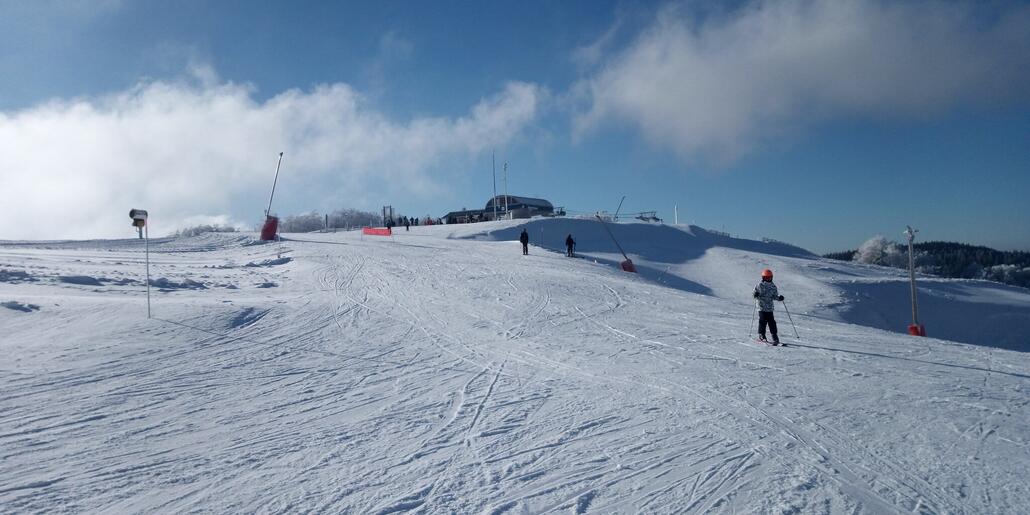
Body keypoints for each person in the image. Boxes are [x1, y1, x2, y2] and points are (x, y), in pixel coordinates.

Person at [753, 269, 785, 344]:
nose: (768, 279)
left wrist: (779, 298)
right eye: (766, 277)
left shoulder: (773, 286)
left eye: (769, 277)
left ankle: (774, 336)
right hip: (761, 306)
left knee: (772, 322)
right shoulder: (759, 285)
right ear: (763, 278)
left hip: (770, 308)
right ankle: (762, 335)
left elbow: (774, 296)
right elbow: (754, 293)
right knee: (763, 320)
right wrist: (755, 294)